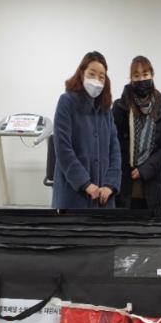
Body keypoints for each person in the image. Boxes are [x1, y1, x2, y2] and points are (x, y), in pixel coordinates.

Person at [52, 51, 121, 209]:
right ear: (82, 73)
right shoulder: (67, 102)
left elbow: (115, 150)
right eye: (92, 74)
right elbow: (63, 148)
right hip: (73, 195)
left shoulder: (106, 110)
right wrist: (85, 183)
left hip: (103, 196)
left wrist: (110, 184)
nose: (96, 80)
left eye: (101, 77)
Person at [113, 56, 161, 209]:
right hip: (124, 188)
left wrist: (144, 170)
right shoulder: (120, 107)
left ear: (152, 75)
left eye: (145, 74)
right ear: (131, 78)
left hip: (152, 189)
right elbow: (113, 146)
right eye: (136, 75)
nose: (141, 79)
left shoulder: (159, 109)